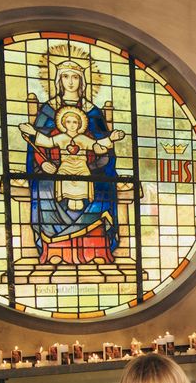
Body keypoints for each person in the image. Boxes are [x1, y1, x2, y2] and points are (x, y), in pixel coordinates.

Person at [22, 58, 121, 264]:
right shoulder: (48, 110)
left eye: (75, 77)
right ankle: (54, 252)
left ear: (82, 81)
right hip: (53, 169)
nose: (70, 82)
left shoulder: (93, 112)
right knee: (44, 188)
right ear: (58, 80)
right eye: (65, 76)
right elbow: (40, 145)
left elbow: (102, 148)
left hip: (89, 168)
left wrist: (103, 150)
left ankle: (95, 252)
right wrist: (43, 164)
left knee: (103, 187)